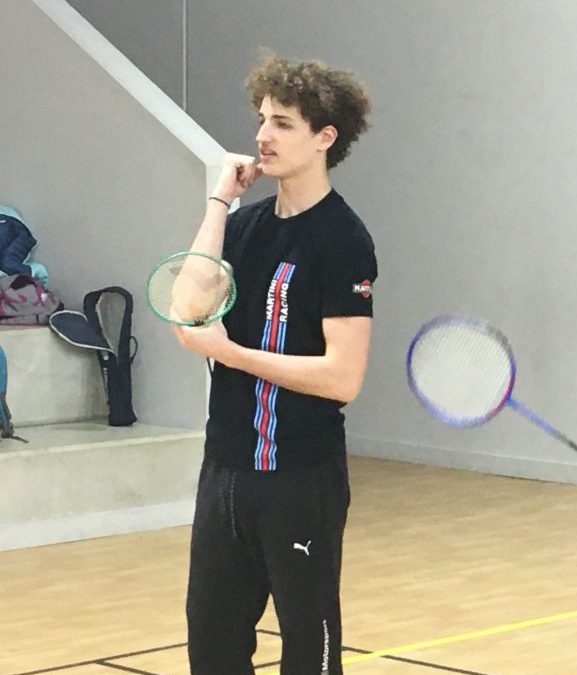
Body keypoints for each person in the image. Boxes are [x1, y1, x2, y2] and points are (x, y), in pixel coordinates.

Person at [170, 53, 376, 675]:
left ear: (324, 138)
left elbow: (343, 377)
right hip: (225, 473)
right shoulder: (246, 226)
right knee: (212, 649)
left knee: (307, 657)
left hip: (299, 479)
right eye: (262, 119)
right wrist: (219, 202)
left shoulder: (343, 240)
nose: (263, 135)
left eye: (283, 123)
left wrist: (231, 353)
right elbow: (187, 312)